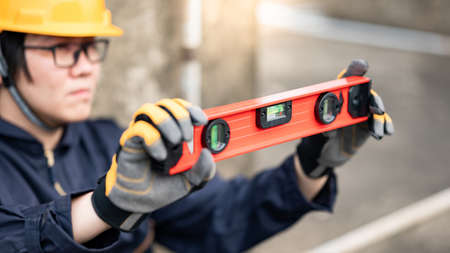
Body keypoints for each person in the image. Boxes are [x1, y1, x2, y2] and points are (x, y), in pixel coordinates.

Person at [0, 0, 394, 252]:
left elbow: (218, 220)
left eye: (92, 47)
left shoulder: (109, 142)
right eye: (61, 49)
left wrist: (310, 168)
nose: (86, 66)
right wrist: (107, 206)